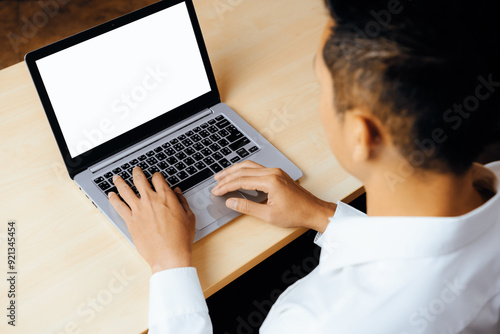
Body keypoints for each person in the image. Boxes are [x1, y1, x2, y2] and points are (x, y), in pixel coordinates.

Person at [108, 0, 500, 332]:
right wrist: (323, 215)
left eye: (322, 86)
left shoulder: (316, 321)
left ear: (363, 135)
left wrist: (168, 262)